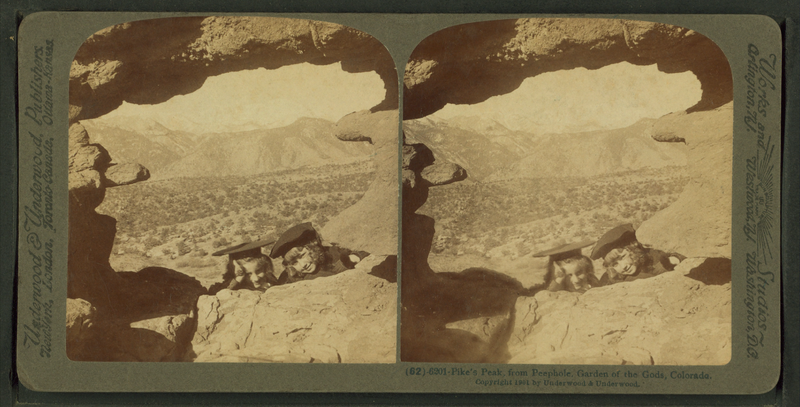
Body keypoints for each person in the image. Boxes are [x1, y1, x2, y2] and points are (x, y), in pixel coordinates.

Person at [269, 223, 369, 283]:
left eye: (303, 255)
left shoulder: (333, 254)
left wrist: (354, 257)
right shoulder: (289, 277)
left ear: (313, 248)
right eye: (294, 262)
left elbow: (363, 252)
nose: (303, 265)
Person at [590, 223, 685, 285]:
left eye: (623, 257)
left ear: (633, 249)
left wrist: (675, 259)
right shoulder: (611, 280)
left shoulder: (653, 256)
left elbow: (680, 255)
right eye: (615, 264)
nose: (623, 267)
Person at [208, 239, 278, 295]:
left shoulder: (271, 281)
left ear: (266, 267)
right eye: (248, 274)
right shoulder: (233, 289)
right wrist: (238, 278)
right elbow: (219, 295)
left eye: (259, 271)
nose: (256, 279)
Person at [532, 240, 600, 293]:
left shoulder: (594, 285)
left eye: (579, 273)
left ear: (587, 270)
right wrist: (558, 279)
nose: (576, 280)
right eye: (569, 275)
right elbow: (550, 294)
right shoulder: (559, 291)